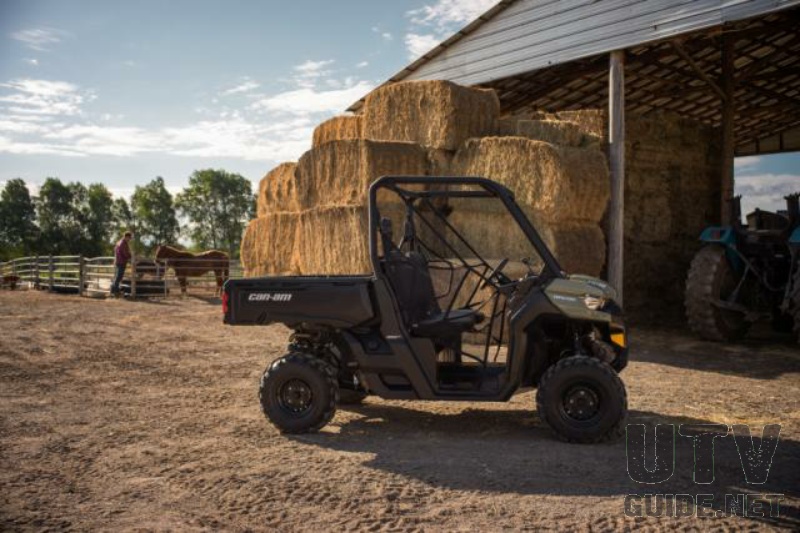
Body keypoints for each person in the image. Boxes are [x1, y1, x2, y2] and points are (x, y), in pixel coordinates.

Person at [111, 231, 133, 297]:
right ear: (126, 237)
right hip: (121, 261)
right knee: (119, 276)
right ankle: (115, 291)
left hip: (119, 261)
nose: (129, 239)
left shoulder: (119, 242)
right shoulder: (123, 243)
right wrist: (131, 256)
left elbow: (116, 250)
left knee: (117, 276)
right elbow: (125, 253)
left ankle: (113, 291)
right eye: (129, 238)